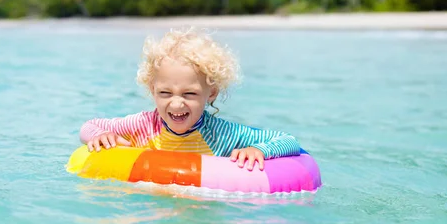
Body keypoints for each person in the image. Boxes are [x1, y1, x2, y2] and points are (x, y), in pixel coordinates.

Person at [79, 27, 300, 171]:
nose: (176, 104)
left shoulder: (223, 135)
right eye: (165, 93)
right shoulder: (144, 125)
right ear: (152, 88)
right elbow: (90, 126)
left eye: (190, 94)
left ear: (211, 93)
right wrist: (101, 136)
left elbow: (288, 140)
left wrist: (258, 150)